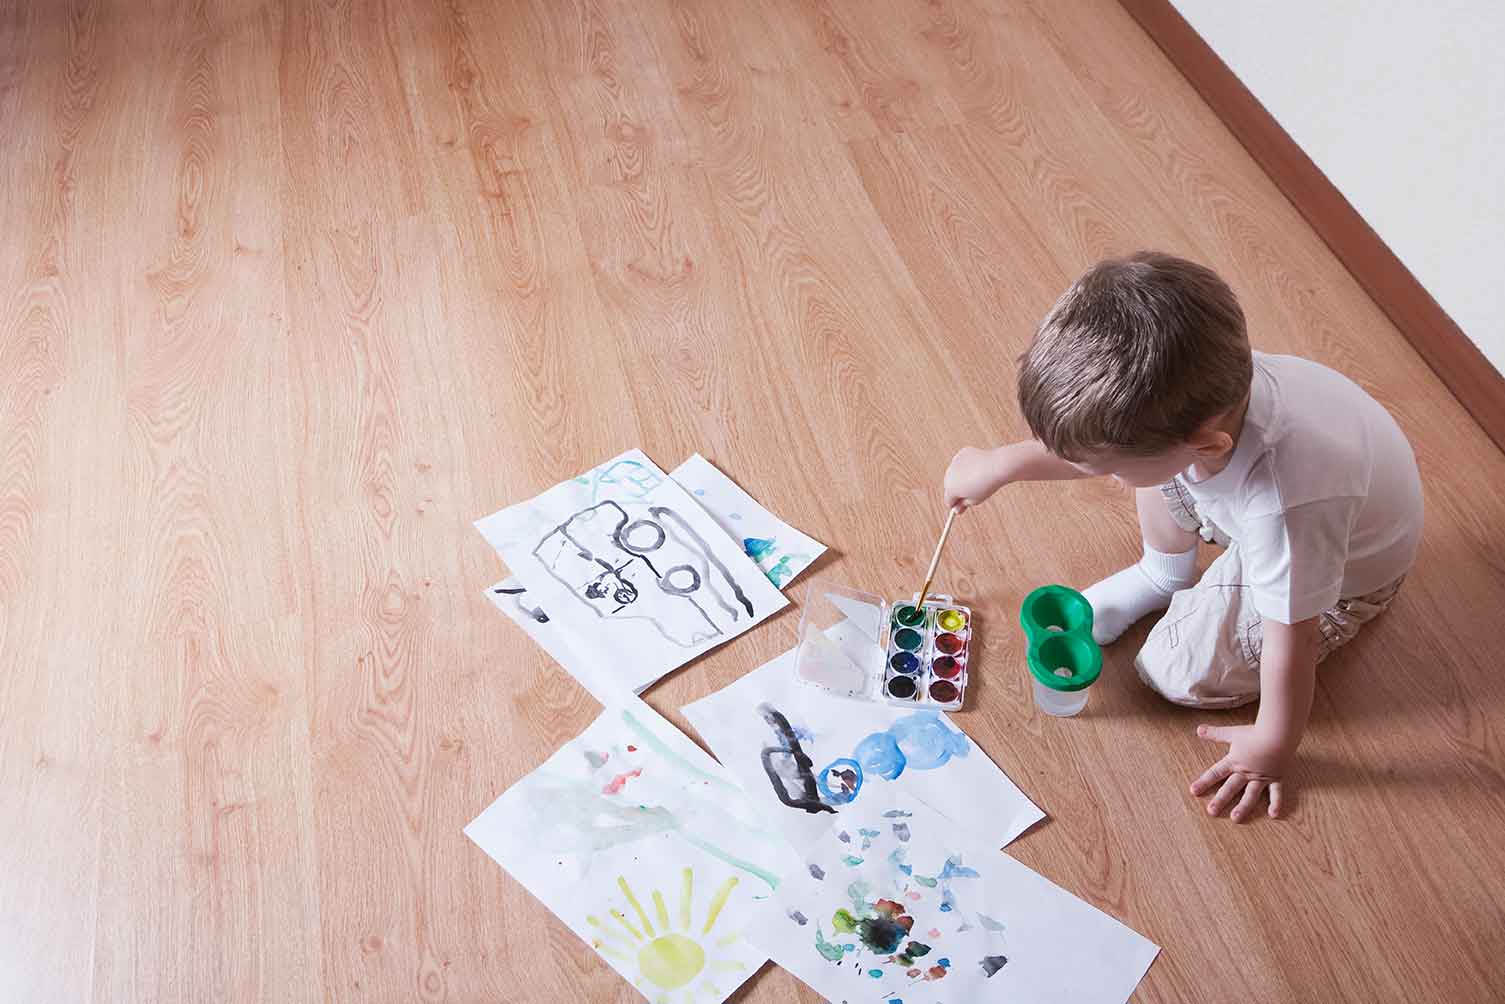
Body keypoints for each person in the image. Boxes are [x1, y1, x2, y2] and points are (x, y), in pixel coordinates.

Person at [944, 252, 1423, 823]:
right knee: (1150, 464)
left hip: (1333, 579)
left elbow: (1289, 640)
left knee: (1169, 672)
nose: (1108, 481)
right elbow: (1119, 446)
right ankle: (1163, 573)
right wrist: (1003, 463)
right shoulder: (1202, 398)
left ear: (1207, 446)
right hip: (1260, 511)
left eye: (1108, 469)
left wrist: (1272, 745)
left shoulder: (1286, 505)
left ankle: (1195, 585)